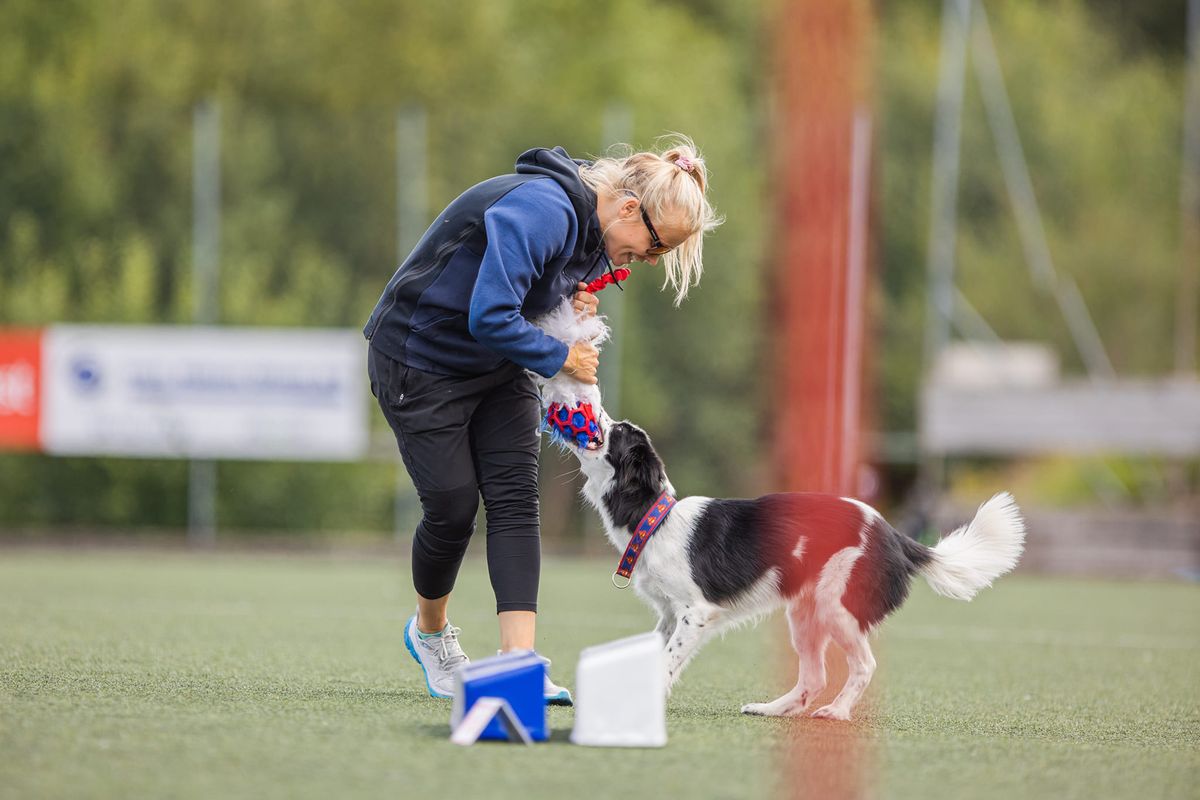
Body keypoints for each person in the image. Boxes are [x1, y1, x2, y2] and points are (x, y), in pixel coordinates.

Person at [363, 136, 721, 702]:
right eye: (655, 247)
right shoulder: (544, 209)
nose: (651, 261)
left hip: (498, 365)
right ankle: (429, 635)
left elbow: (533, 292)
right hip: (419, 359)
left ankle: (518, 665)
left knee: (513, 498)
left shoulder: (594, 230)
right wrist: (561, 356)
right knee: (453, 509)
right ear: (629, 209)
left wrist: (568, 300)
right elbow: (488, 313)